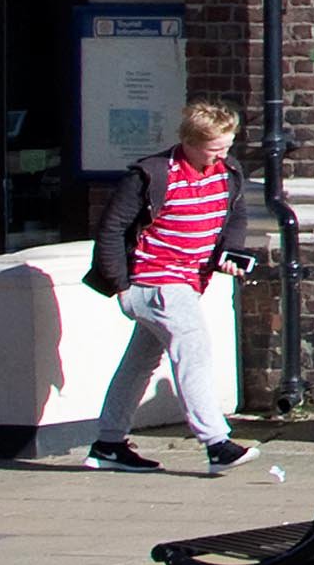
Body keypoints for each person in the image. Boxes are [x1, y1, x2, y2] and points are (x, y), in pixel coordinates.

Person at [83, 98, 250, 473]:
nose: (221, 155)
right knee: (193, 348)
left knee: (140, 362)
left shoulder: (227, 171)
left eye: (227, 146)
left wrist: (232, 252)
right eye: (214, 148)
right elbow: (111, 230)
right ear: (190, 141)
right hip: (155, 280)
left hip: (188, 282)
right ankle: (215, 442)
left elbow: (235, 213)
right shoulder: (153, 174)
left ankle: (108, 443)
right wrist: (122, 287)